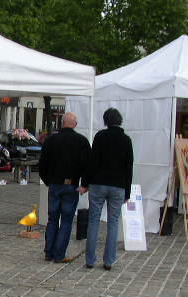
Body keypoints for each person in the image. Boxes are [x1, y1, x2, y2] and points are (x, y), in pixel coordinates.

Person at [79, 108, 134, 270]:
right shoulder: (126, 140)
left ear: (105, 121)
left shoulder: (100, 136)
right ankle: (108, 261)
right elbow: (129, 167)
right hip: (118, 185)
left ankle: (90, 260)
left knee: (94, 221)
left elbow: (92, 161)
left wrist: (85, 183)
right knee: (113, 223)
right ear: (120, 120)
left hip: (98, 183)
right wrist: (127, 192)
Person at [38, 112, 91, 263]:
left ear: (62, 123)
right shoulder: (81, 141)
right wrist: (84, 184)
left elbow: (42, 164)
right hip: (71, 185)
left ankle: (49, 252)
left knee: (52, 219)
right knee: (66, 221)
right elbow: (88, 165)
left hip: (54, 184)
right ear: (75, 124)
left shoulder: (51, 140)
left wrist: (48, 181)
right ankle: (59, 254)